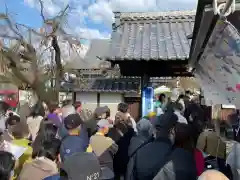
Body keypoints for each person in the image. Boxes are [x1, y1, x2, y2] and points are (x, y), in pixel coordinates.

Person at [126, 112, 178, 180]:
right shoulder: (177, 154)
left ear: (155, 129)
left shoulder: (140, 150)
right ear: (172, 131)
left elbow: (130, 176)